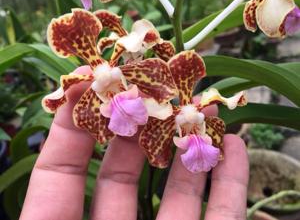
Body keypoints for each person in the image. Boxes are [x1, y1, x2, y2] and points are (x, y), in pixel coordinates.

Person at [19, 66, 249, 220]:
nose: (115, 93)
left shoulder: (176, 116)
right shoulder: (154, 115)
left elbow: (160, 151)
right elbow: (57, 101)